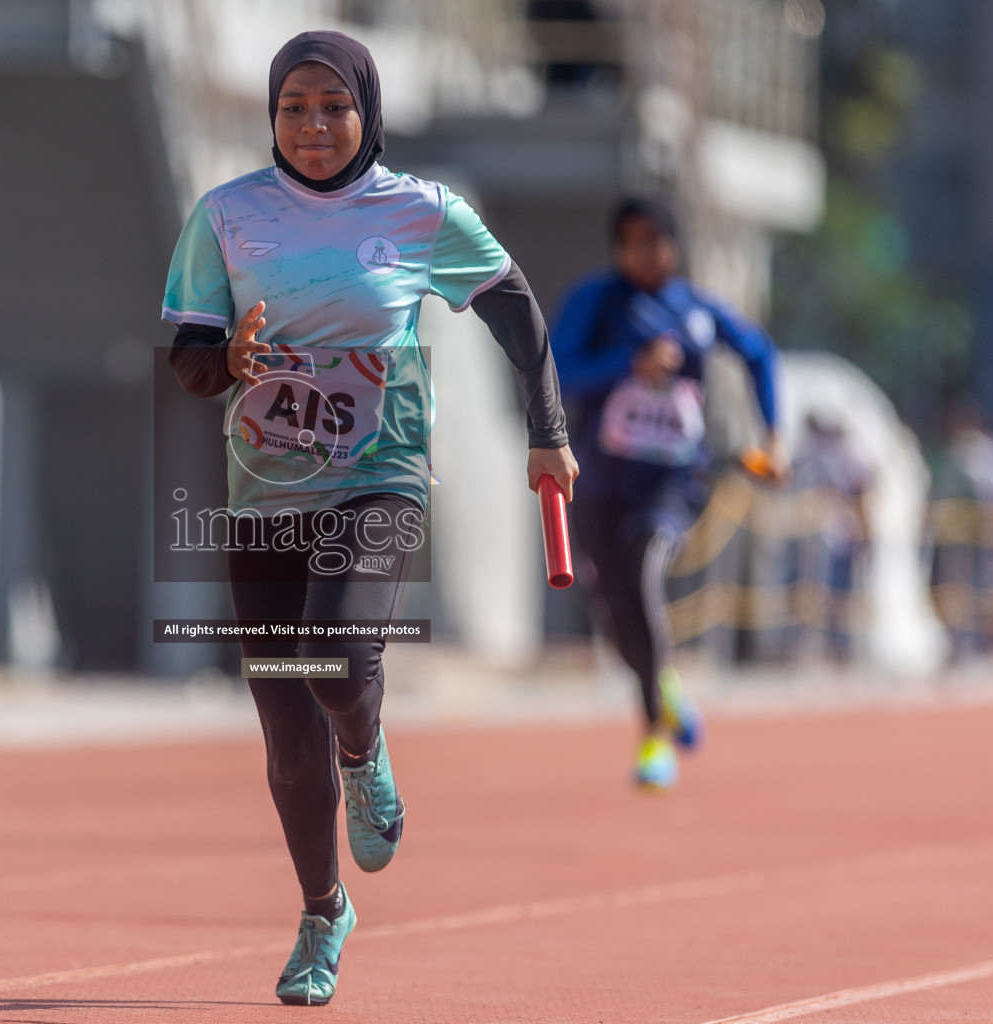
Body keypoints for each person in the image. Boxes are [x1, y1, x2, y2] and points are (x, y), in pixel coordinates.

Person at [162, 30, 577, 1006]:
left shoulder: (422, 212)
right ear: (271, 116)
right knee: (284, 743)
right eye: (293, 107)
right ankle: (322, 912)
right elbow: (188, 357)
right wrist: (232, 363)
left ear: (367, 112)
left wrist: (547, 431)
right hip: (264, 494)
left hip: (380, 476)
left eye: (333, 107)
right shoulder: (226, 217)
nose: (312, 126)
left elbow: (519, 313)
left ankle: (367, 747)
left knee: (341, 659)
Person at [549, 197, 784, 791]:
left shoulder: (695, 309)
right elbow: (557, 370)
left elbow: (759, 353)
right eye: (631, 241)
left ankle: (652, 733)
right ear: (617, 247)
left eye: (656, 240)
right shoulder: (596, 302)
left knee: (646, 573)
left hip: (675, 482)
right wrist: (629, 365)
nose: (644, 252)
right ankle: (666, 687)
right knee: (617, 612)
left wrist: (772, 434)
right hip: (601, 482)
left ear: (674, 247)